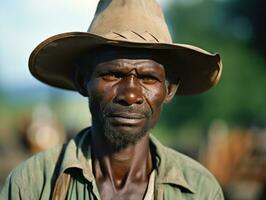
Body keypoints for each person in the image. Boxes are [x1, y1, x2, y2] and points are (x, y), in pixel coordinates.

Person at [0, 0, 224, 199]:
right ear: (82, 81)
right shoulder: (33, 184)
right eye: (113, 75)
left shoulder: (199, 189)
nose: (131, 95)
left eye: (148, 78)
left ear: (170, 89)